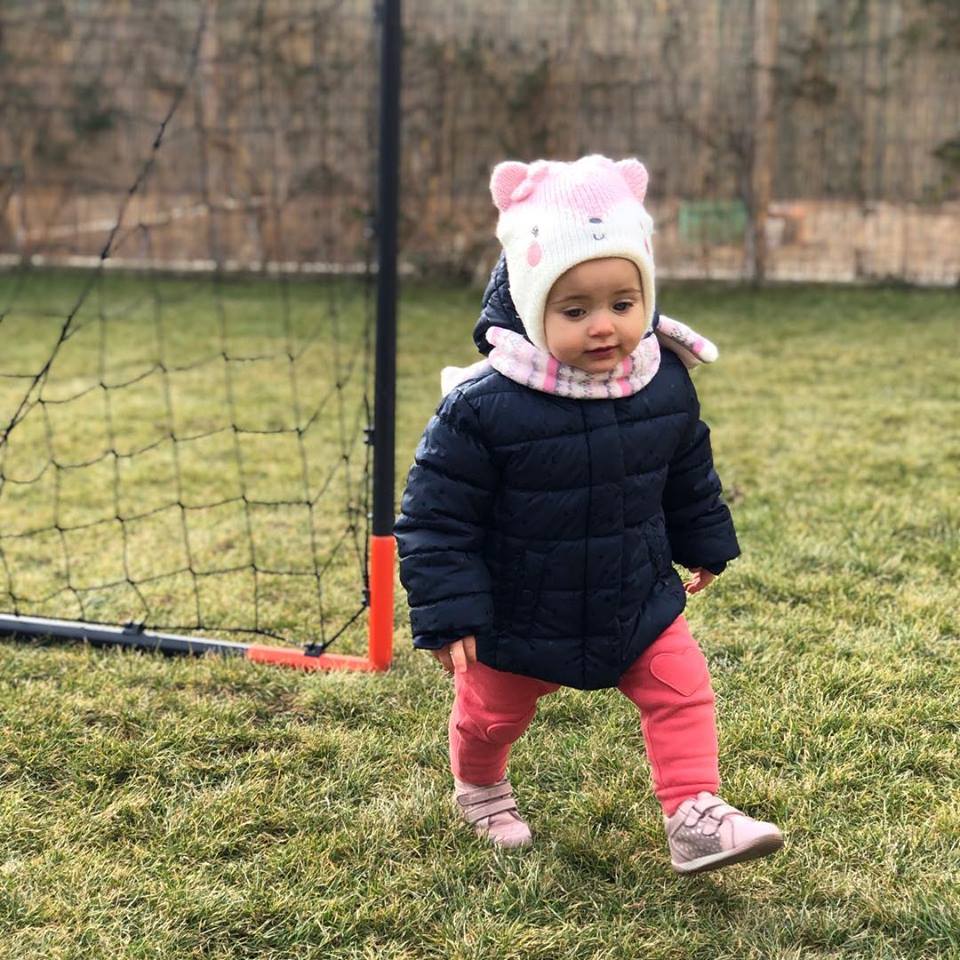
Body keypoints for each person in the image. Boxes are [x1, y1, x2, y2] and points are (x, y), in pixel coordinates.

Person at [394, 155, 783, 874]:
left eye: (623, 304)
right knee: (492, 714)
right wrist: (449, 612)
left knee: (681, 689)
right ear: (530, 304)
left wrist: (703, 540)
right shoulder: (483, 406)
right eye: (575, 311)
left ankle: (694, 813)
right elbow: (436, 518)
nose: (604, 326)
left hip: (633, 592)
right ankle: (480, 787)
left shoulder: (661, 379)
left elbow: (685, 466)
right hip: (519, 609)